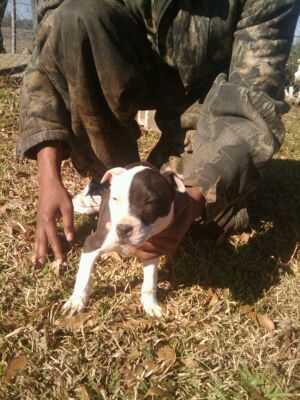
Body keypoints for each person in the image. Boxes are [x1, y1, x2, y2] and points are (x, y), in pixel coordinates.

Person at [17, 0, 300, 264]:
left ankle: (203, 185)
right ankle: (111, 180)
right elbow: (47, 56)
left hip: (211, 95)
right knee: (75, 16)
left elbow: (251, 100)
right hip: (134, 69)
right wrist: (48, 175)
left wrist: (199, 194)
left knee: (188, 217)